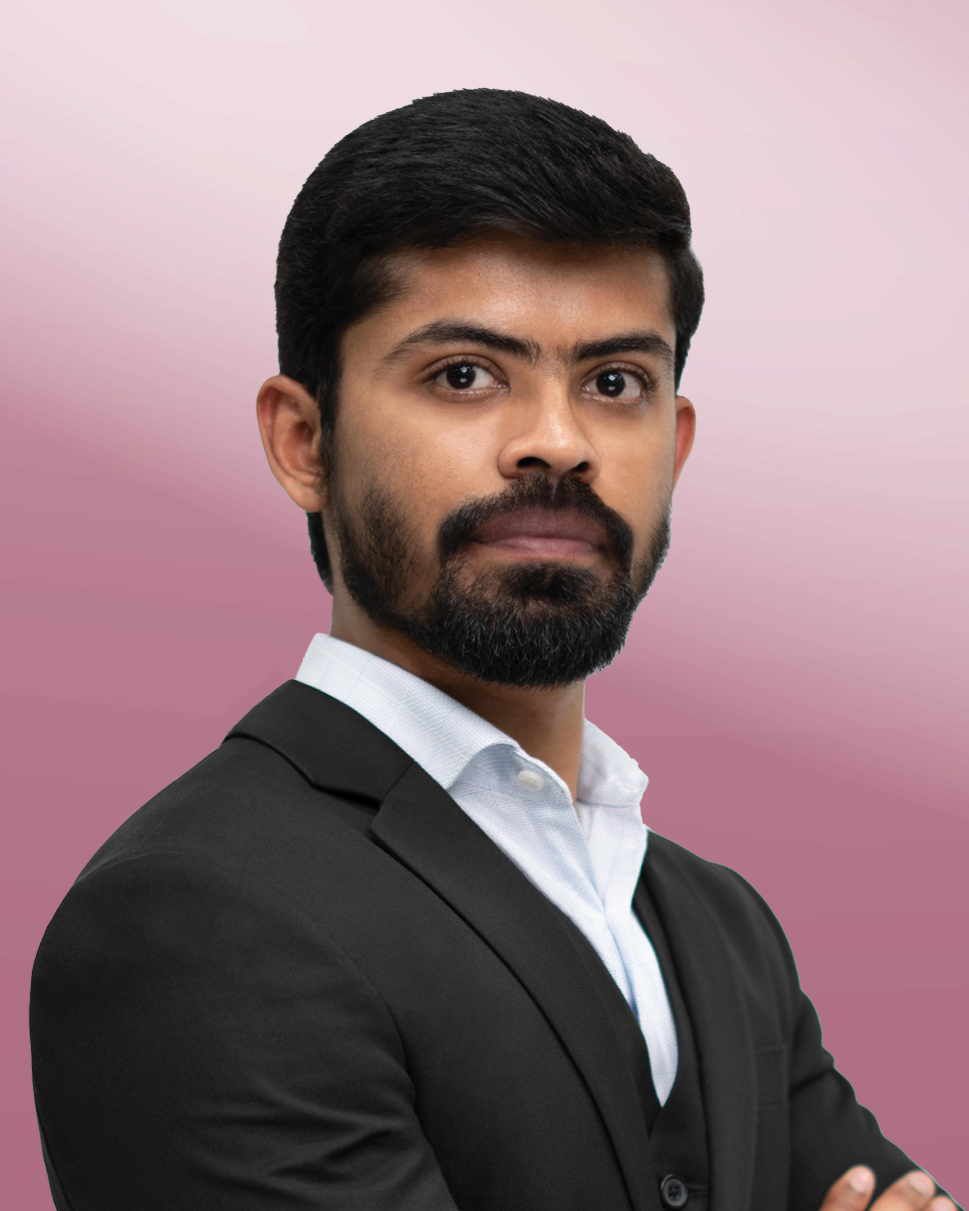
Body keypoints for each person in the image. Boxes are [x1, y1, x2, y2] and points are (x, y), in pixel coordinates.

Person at [29, 89, 960, 1211]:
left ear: (674, 446)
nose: (557, 443)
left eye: (614, 383)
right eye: (464, 374)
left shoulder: (721, 925)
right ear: (305, 442)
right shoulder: (194, 912)